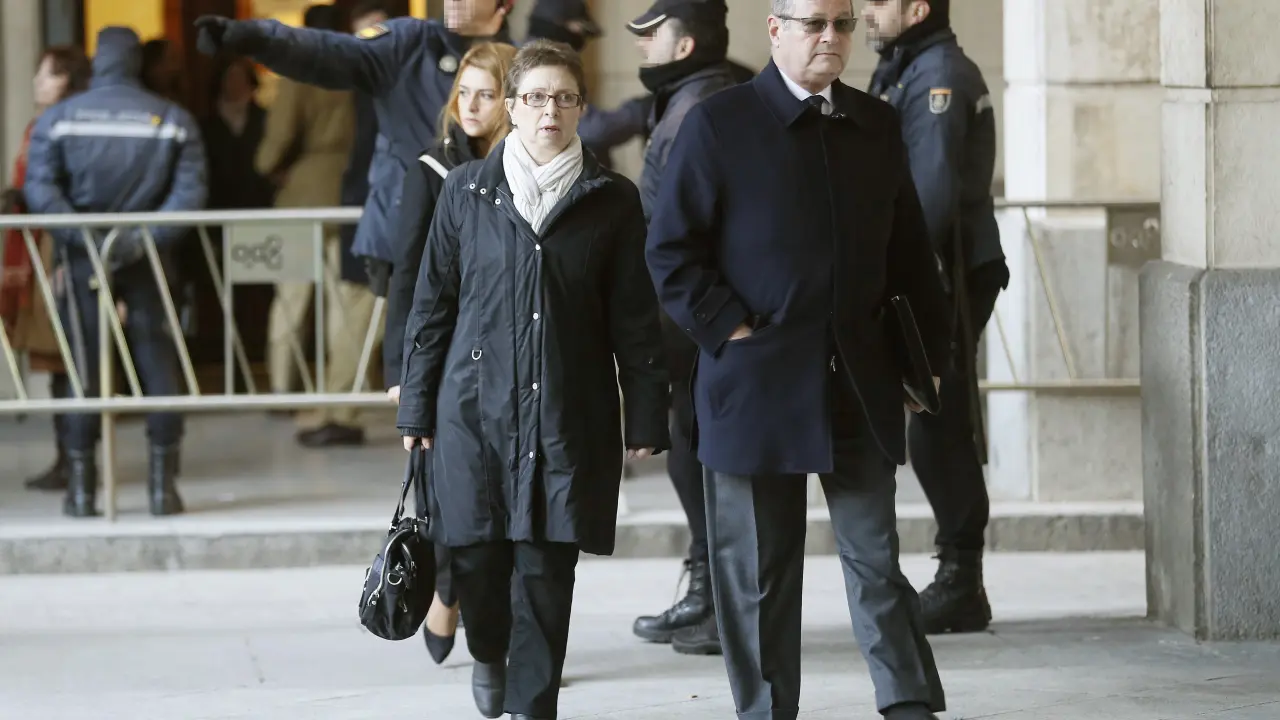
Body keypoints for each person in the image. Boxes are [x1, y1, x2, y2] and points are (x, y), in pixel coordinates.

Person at [645, 1, 951, 718]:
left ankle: (907, 703)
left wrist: (927, 358)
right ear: (776, 30)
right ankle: (766, 710)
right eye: (814, 23)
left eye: (842, 23)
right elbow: (670, 249)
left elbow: (911, 251)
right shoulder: (718, 124)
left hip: (860, 380)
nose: (831, 37)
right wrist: (729, 326)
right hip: (755, 384)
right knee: (758, 573)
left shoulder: (875, 123)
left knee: (876, 559)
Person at [397, 40, 669, 720]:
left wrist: (644, 414)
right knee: (479, 562)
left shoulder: (612, 199)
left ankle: (532, 703)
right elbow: (432, 306)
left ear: (581, 108)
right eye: (537, 97)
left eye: (565, 98)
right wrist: (416, 407)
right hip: (473, 412)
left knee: (549, 567)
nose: (551, 111)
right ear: (512, 107)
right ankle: (490, 653)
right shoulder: (466, 191)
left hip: (566, 412)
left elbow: (635, 320)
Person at [195, 1, 623, 294]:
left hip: (497, 243)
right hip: (407, 238)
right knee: (411, 369)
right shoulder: (408, 44)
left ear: (503, 5)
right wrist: (251, 36)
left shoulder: (521, 62)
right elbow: (328, 52)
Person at [863, 0, 1007, 635]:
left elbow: (931, 195)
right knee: (930, 419)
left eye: (879, 2)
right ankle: (959, 573)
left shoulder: (939, 74)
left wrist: (899, 280)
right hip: (927, 272)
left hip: (943, 275)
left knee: (939, 422)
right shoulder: (908, 66)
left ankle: (961, 578)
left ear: (917, 8)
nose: (868, 11)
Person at [24, 26, 206, 518]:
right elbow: (188, 196)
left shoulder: (60, 119)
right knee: (157, 366)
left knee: (82, 373)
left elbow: (41, 189)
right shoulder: (171, 118)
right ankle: (163, 491)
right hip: (149, 260)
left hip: (80, 259)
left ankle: (82, 493)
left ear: (97, 58)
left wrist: (82, 236)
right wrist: (139, 238)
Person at [384, 40, 518, 667]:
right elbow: (407, 276)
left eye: (486, 94)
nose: (470, 105)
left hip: (515, 353)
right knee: (447, 495)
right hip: (447, 352)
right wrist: (402, 371)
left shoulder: (532, 167)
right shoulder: (433, 169)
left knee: (511, 495)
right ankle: (446, 590)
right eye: (463, 92)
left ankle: (509, 632)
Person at [623, 0, 745, 658]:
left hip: (699, 319)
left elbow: (685, 230)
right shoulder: (691, 99)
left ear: (685, 44)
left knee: (702, 457)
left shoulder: (700, 107)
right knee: (689, 453)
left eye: (652, 34)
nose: (642, 46)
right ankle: (708, 591)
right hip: (692, 317)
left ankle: (720, 601)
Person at [296, 0, 392, 448]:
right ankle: (339, 407)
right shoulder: (374, 82)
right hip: (367, 208)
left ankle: (341, 409)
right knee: (355, 308)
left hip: (376, 210)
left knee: (358, 310)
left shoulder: (380, 84)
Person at [0, 46, 91, 493]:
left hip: (57, 248)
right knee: (58, 363)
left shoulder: (68, 125)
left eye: (48, 75)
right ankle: (69, 458)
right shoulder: (44, 125)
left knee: (67, 359)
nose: (38, 82)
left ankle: (78, 462)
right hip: (40, 246)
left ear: (68, 80)